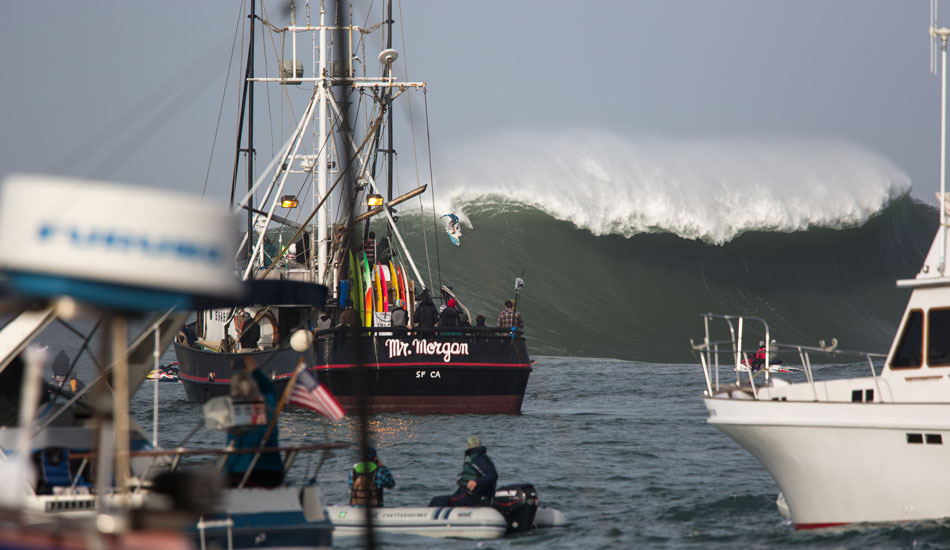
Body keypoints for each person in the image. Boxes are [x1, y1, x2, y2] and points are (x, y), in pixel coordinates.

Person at [224, 364, 284, 488]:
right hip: (274, 474)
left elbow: (233, 452)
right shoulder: (269, 404)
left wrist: (225, 472)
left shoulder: (236, 414)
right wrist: (254, 368)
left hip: (244, 473)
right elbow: (268, 387)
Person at [428, 436, 498, 507]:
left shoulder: (478, 459)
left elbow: (493, 475)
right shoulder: (478, 457)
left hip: (474, 498)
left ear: (467, 447)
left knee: (437, 501)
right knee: (445, 499)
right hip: (469, 496)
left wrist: (476, 482)